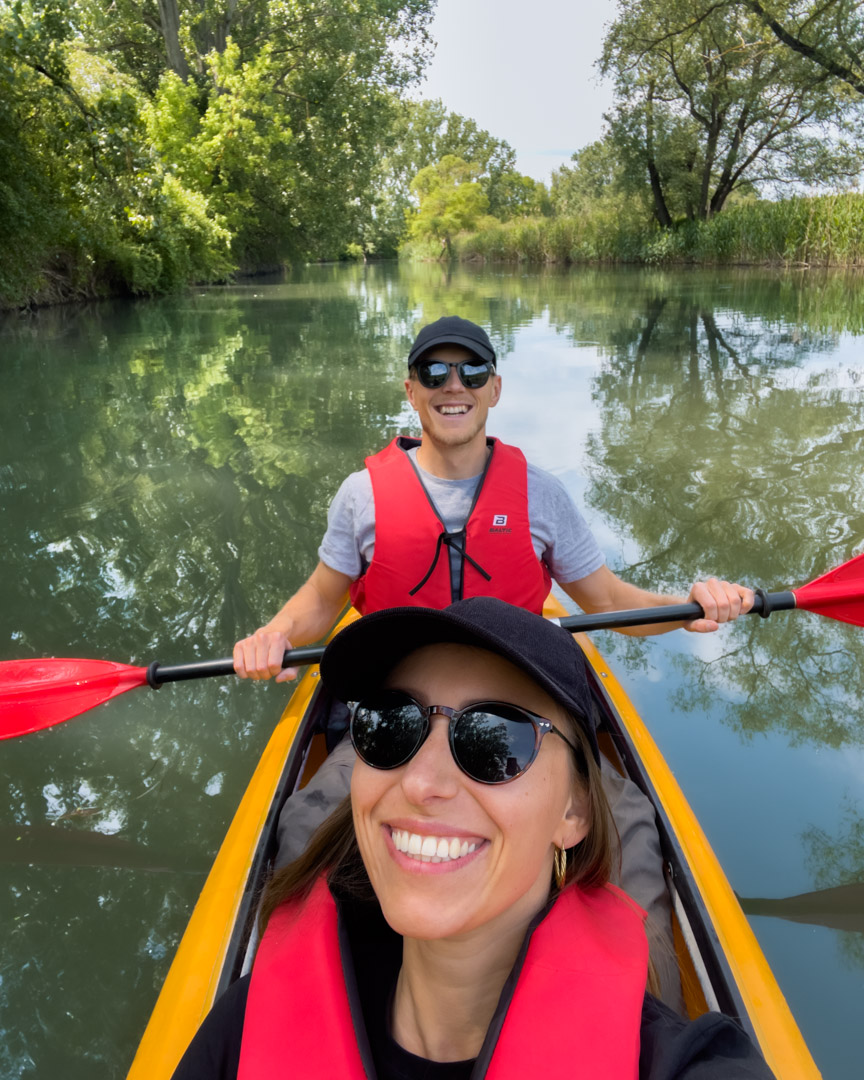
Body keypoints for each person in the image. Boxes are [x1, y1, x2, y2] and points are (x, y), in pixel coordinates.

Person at [173, 599, 774, 1079]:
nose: (422, 782)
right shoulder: (250, 1022)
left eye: (497, 740)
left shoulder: (686, 1062)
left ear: (576, 810)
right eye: (388, 725)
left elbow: (607, 592)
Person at [233, 315, 753, 686]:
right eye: (434, 374)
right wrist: (276, 634)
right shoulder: (360, 494)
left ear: (495, 388)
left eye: (472, 372)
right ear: (411, 391)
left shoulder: (541, 494)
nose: (453, 386)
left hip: (512, 690)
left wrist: (688, 608)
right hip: (393, 693)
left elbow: (612, 604)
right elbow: (325, 599)